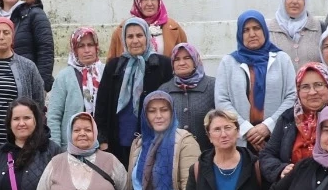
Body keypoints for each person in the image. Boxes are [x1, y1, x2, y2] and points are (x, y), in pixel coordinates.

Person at [95, 18, 174, 165]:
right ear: (124, 40)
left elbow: (171, 104)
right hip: (119, 141)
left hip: (154, 141)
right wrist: (103, 140)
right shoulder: (114, 66)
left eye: (139, 35)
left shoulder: (163, 64)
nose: (135, 40)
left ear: (147, 37)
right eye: (130, 36)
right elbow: (102, 105)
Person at [215, 10, 295, 154]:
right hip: (241, 138)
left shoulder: (282, 59)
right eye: (246, 30)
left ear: (264, 30)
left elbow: (292, 96)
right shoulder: (229, 62)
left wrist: (268, 126)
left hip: (276, 135)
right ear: (240, 34)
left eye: (256, 28)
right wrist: (247, 129)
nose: (252, 34)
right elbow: (222, 100)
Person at [0, 16, 47, 150]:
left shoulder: (28, 67)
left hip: (15, 143)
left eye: (6, 33)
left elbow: (38, 103)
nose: (1, 37)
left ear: (12, 37)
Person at [47, 27, 103, 148]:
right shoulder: (64, 77)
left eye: (90, 45)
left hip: (101, 147)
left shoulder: (106, 72)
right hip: (70, 147)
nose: (87, 50)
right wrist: (56, 148)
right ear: (74, 50)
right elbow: (54, 116)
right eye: (81, 46)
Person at [107, 0, 190, 61]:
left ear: (159, 1)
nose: (149, 3)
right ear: (137, 1)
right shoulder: (122, 29)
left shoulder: (173, 28)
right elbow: (111, 63)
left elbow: (186, 57)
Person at [159, 43, 216, 141]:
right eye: (177, 59)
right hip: (175, 153)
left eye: (187, 58)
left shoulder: (213, 85)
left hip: (207, 153)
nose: (181, 63)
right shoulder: (164, 90)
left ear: (195, 60)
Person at [267, 0, 323, 70]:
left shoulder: (317, 26)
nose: (294, 1)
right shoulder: (269, 29)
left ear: (305, 1)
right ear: (283, 0)